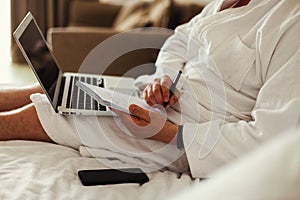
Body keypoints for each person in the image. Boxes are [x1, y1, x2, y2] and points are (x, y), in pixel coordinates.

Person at [0, 0, 299, 178]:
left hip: (193, 134)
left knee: (52, 113)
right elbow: (181, 38)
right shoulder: (227, 4)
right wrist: (163, 79)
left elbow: (269, 141)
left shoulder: (290, 22)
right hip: (158, 101)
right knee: (61, 88)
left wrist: (168, 133)